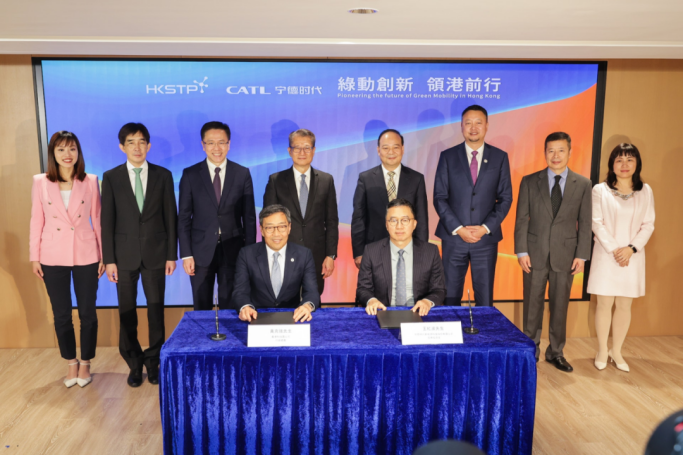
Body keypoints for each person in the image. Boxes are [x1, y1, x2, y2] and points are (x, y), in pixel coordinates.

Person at [101, 123, 178, 388]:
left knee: (156, 311)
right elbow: (107, 221)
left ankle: (153, 361)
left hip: (156, 253)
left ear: (149, 146)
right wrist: (109, 259)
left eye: (142, 142)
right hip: (123, 257)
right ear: (122, 147)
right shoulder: (111, 177)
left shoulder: (163, 175)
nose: (137, 147)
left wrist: (171, 255)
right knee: (127, 312)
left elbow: (171, 217)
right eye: (131, 142)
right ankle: (134, 363)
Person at [30, 131, 104, 389]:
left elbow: (98, 219)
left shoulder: (91, 180)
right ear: (53, 153)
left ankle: (86, 362)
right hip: (52, 255)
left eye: (72, 148)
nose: (67, 154)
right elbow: (36, 220)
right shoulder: (40, 181)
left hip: (86, 253)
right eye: (61, 149)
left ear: (78, 152)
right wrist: (34, 256)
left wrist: (104, 255)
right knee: (61, 313)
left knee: (88, 313)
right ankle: (71, 361)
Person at [514, 132, 592, 372]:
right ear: (544, 153)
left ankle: (556, 352)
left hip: (566, 255)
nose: (555, 155)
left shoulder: (583, 184)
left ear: (570, 152)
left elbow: (585, 222)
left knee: (560, 306)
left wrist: (581, 255)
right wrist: (521, 251)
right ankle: (531, 350)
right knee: (532, 306)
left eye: (561, 150)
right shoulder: (529, 181)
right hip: (534, 254)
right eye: (551, 151)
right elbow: (521, 219)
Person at [433, 105, 513, 307]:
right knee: (450, 296)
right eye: (468, 123)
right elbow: (439, 197)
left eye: (478, 122)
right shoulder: (448, 156)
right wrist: (459, 229)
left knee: (484, 299)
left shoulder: (499, 157)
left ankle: (483, 330)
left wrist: (485, 228)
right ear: (461, 126)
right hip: (454, 239)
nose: (473, 127)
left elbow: (505, 198)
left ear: (487, 125)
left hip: (485, 240)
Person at [588, 144, 655, 373]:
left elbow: (648, 224)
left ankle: (616, 351)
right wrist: (616, 250)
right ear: (612, 165)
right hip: (606, 255)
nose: (624, 165)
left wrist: (630, 249)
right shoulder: (600, 190)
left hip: (632, 257)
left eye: (629, 159)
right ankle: (601, 350)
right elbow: (596, 223)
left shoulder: (645, 191)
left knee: (625, 305)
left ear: (637, 164)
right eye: (619, 160)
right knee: (604, 304)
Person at [179, 121, 257, 310]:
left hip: (233, 249)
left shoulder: (242, 173)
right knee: (201, 306)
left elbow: (249, 218)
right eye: (211, 143)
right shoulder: (190, 174)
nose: (217, 148)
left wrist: (249, 253)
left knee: (230, 305)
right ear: (203, 145)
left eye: (222, 142)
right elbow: (183, 218)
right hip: (200, 251)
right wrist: (186, 254)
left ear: (229, 144)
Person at [263, 129, 339, 294]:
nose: (302, 152)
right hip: (284, 252)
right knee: (284, 300)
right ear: (289, 151)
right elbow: (267, 221)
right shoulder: (276, 180)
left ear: (314, 150)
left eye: (307, 147)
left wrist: (330, 255)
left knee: (313, 300)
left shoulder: (326, 180)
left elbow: (332, 221)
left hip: (316, 255)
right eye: (297, 148)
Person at [352, 129, 429, 270]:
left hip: (408, 249)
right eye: (386, 148)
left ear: (402, 149)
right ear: (378, 150)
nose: (391, 152)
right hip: (373, 249)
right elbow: (358, 218)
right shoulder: (366, 179)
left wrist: (422, 251)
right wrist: (359, 252)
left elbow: (422, 219)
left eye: (395, 147)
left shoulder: (416, 179)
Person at [357, 199, 446, 316]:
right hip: (383, 312)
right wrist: (371, 300)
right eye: (393, 220)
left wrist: (427, 301)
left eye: (405, 220)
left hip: (419, 313)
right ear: (386, 225)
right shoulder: (371, 251)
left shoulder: (431, 251)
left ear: (414, 224)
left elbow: (439, 289)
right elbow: (363, 288)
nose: (399, 226)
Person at [233, 205, 319, 323]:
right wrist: (245, 307)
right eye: (270, 228)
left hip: (292, 316)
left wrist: (306, 306)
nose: (276, 233)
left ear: (289, 227)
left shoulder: (304, 255)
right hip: (257, 316)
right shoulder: (246, 254)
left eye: (282, 227)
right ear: (262, 230)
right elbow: (240, 291)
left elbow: (312, 291)